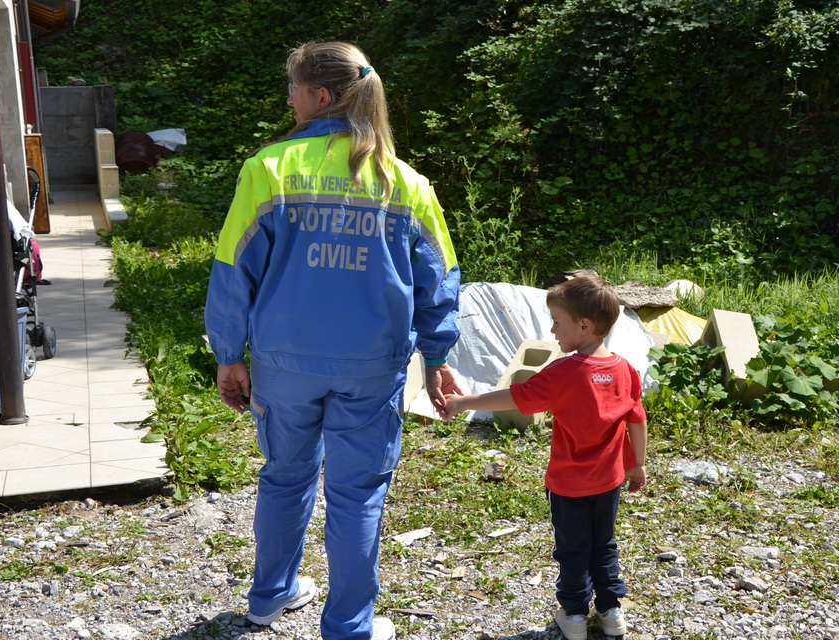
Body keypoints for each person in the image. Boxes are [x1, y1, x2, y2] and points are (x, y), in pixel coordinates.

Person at [205, 41, 463, 640]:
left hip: (284, 363)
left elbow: (232, 270)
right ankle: (349, 626)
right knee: (358, 493)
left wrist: (228, 354)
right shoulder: (406, 182)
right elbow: (440, 277)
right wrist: (437, 355)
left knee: (284, 476)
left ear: (321, 96)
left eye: (293, 89)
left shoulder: (268, 169)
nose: (288, 100)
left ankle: (269, 597)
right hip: (371, 367)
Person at [442, 275, 647, 640]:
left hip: (568, 486)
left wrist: (463, 402)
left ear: (583, 326)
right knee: (603, 545)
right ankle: (612, 612)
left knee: (572, 550)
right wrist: (639, 464)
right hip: (609, 481)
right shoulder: (624, 369)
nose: (552, 330)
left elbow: (513, 396)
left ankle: (575, 616)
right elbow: (637, 420)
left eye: (556, 322)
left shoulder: (564, 372)